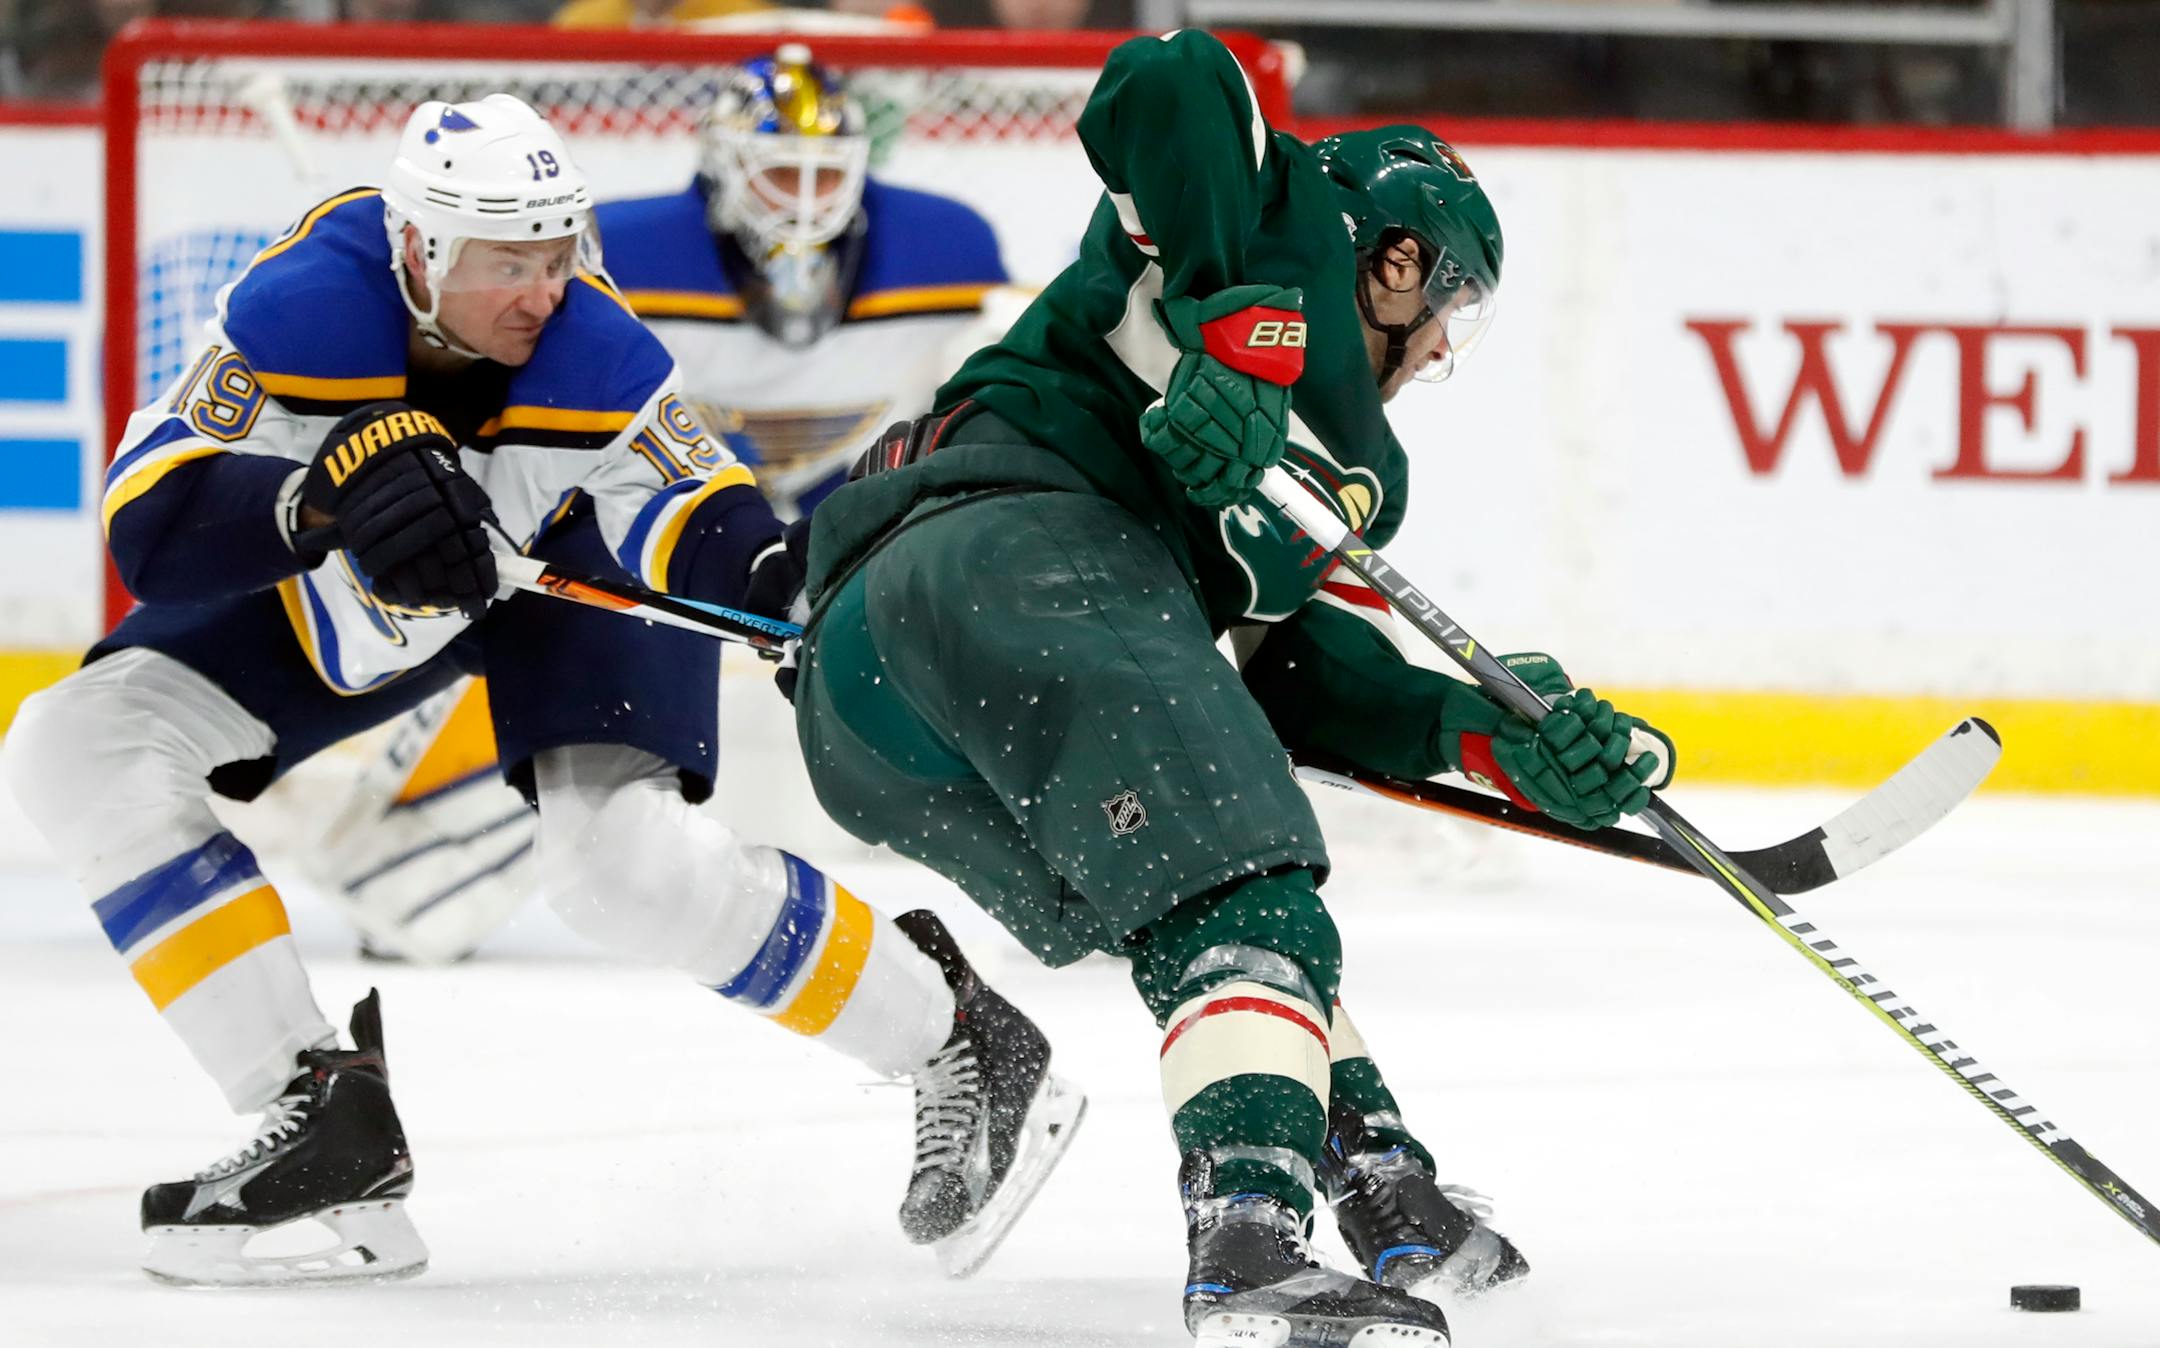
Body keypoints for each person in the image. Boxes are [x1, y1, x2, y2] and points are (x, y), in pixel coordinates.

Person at [1, 93, 1078, 1288]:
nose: (542, 288)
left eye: (558, 252)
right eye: (508, 259)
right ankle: (322, 1119)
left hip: (561, 580)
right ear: (417, 252)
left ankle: (954, 1036)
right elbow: (149, 528)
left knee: (621, 870)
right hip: (356, 582)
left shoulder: (597, 356)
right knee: (75, 745)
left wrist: (788, 593)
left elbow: (708, 517)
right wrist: (318, 498)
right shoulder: (302, 310)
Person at [789, 29, 1675, 1347]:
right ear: (1395, 266)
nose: (1440, 351)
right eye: (1447, 309)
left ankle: (1381, 1179)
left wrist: (1479, 730)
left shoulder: (1364, 469)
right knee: (1246, 885)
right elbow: (1166, 75)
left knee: (1192, 898)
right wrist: (1234, 327)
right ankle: (1250, 1255)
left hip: (873, 709)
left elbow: (1284, 671)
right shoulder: (1274, 209)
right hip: (1011, 554)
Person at [301, 47, 1008, 971]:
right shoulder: (611, 258)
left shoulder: (946, 254)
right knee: (557, 632)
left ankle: (1094, 856)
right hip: (652, 519)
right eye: (778, 169)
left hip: (822, 523)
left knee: (967, 632)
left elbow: (990, 372)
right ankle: (410, 867)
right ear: (723, 167)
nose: (800, 198)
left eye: (822, 172)